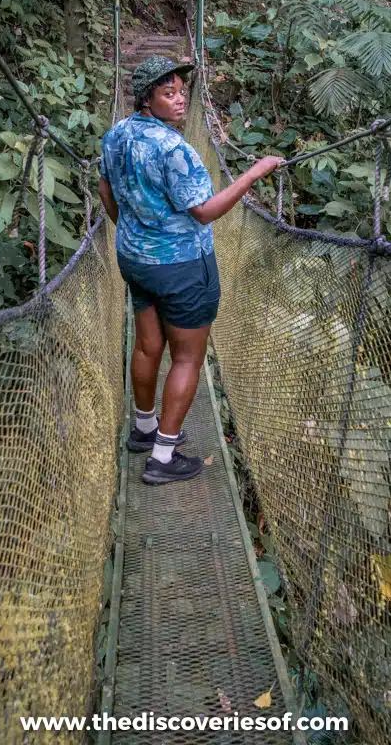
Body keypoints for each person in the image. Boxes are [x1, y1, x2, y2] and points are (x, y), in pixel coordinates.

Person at [98, 55, 283, 485]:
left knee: (147, 346)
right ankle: (163, 457)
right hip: (181, 267)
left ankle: (143, 431)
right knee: (187, 356)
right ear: (147, 99)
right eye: (169, 93)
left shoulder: (115, 135)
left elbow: (106, 188)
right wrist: (254, 172)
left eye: (182, 92)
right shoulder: (174, 148)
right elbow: (203, 212)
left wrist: (129, 231)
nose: (181, 101)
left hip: (135, 261)